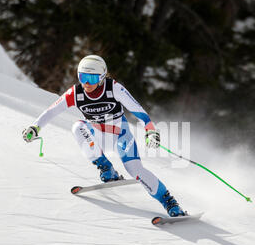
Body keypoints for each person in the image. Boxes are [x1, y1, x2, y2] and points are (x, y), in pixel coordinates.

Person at [22, 55, 185, 217]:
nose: (86, 83)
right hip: (97, 135)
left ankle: (170, 203)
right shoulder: (75, 93)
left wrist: (150, 131)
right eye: (82, 77)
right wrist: (35, 127)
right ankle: (107, 168)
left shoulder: (113, 88)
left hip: (120, 135)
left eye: (91, 79)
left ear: (101, 77)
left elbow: (139, 112)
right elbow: (52, 111)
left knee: (134, 169)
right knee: (78, 126)